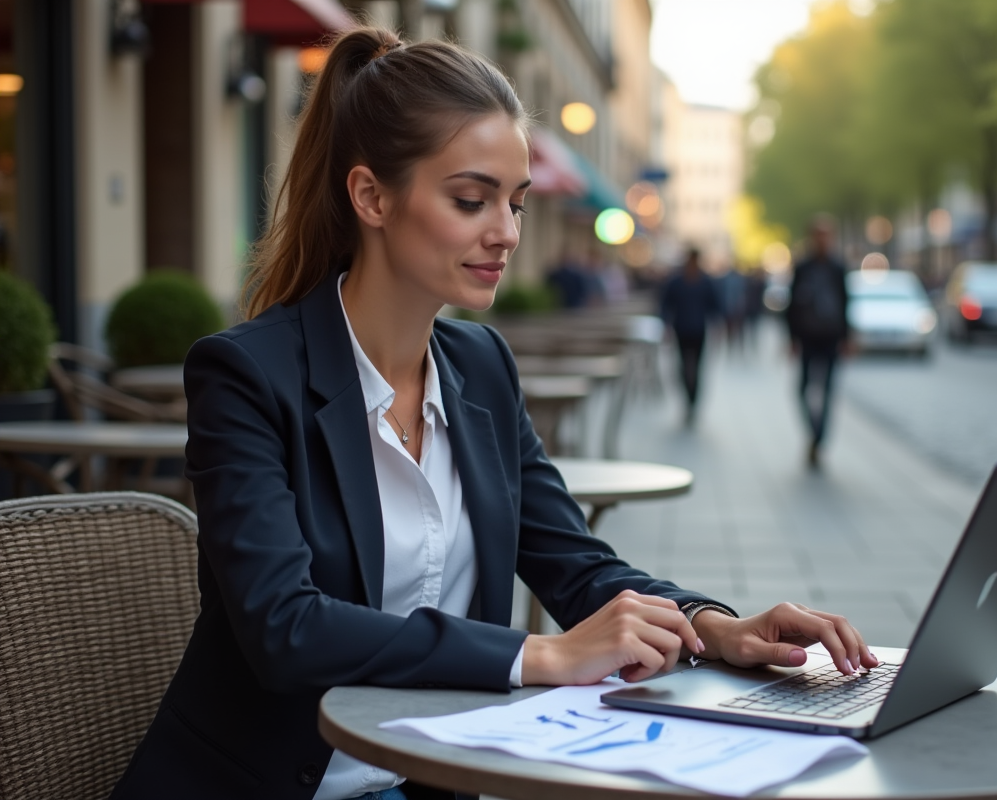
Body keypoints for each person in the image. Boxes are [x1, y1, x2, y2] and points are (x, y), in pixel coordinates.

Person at [109, 29, 876, 800]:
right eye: (471, 201)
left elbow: (575, 565)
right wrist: (539, 656)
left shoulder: (481, 366)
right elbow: (285, 629)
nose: (506, 233)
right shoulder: (247, 374)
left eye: (515, 203)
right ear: (371, 196)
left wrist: (713, 627)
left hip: (432, 779)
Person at [786, 216, 850, 467]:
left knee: (828, 391)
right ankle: (814, 432)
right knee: (803, 389)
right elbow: (792, 304)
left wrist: (847, 337)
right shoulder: (803, 268)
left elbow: (845, 303)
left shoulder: (837, 268)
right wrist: (791, 338)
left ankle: (819, 438)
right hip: (807, 337)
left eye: (827, 235)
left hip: (830, 337)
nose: (822, 240)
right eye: (818, 235)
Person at [659, 247, 722, 425]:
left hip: (699, 330)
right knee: (683, 367)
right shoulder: (677, 282)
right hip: (681, 329)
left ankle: (693, 401)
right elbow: (665, 305)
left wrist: (718, 326)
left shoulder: (705, 282)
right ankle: (687, 398)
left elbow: (714, 306)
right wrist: (666, 326)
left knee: (696, 367)